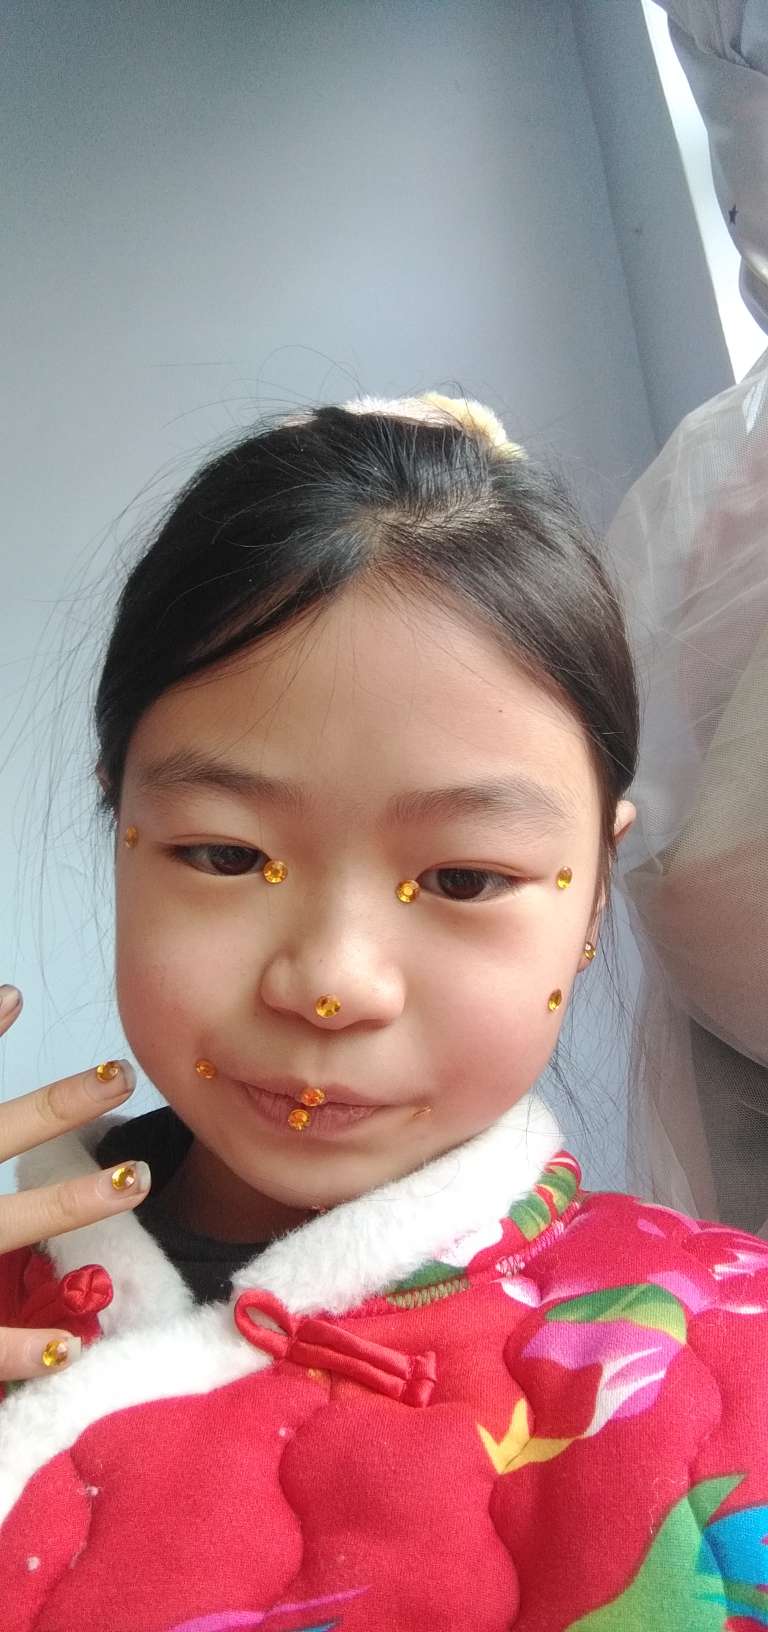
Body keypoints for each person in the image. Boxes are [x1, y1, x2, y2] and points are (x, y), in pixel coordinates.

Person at [0, 392, 766, 1631]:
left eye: (462, 879)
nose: (331, 982)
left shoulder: (739, 1357)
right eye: (224, 855)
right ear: (121, 827)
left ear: (592, 893)